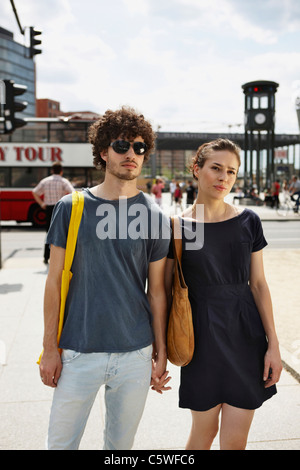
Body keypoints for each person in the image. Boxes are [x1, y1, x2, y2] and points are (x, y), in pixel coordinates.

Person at [39, 106, 171, 450]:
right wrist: (49, 347)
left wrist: (161, 351)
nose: (132, 155)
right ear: (103, 151)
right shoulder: (71, 207)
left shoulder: (155, 216)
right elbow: (53, 282)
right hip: (78, 353)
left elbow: (157, 292)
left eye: (140, 148)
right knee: (60, 445)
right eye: (122, 146)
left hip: (136, 355)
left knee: (120, 451)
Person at [164, 138, 282, 450]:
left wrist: (274, 345)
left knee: (235, 442)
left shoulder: (249, 221)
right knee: (203, 435)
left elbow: (258, 285)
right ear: (196, 169)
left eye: (231, 171)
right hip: (200, 339)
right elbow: (164, 293)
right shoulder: (177, 227)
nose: (223, 178)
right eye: (216, 168)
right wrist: (159, 352)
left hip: (246, 336)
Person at [32, 162, 74, 263]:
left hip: (49, 209)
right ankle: (61, 258)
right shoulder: (64, 181)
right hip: (60, 208)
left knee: (48, 233)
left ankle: (46, 257)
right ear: (61, 171)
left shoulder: (45, 181)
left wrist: (42, 203)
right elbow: (73, 192)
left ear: (52, 171)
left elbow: (35, 191)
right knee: (62, 232)